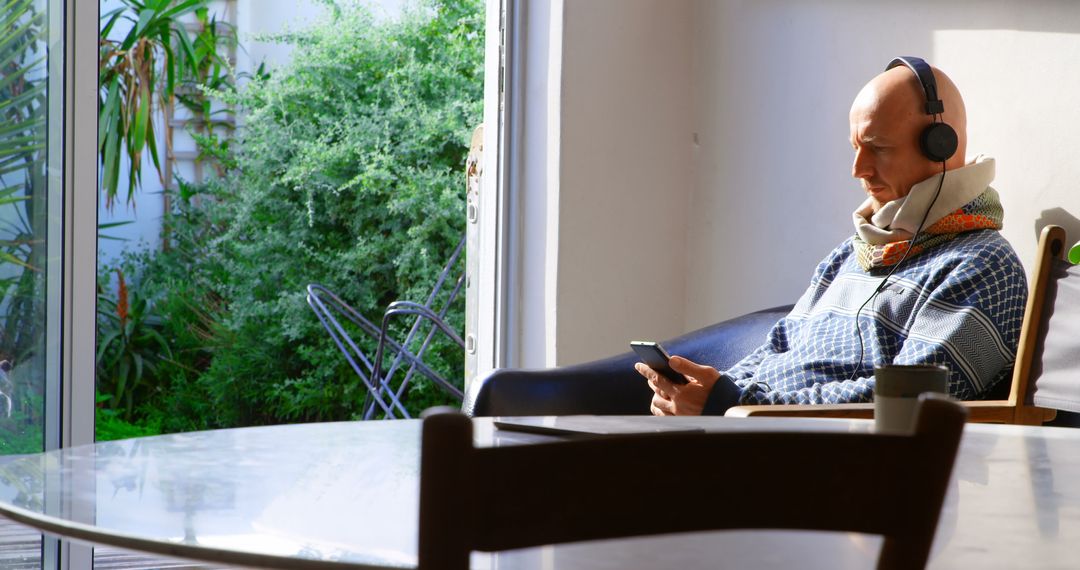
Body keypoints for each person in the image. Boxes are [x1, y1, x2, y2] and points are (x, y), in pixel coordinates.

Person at [638, 58, 1028, 416]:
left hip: (834, 465)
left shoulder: (982, 264)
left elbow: (913, 403)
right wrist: (704, 391)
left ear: (941, 145)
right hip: (755, 442)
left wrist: (735, 404)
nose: (859, 169)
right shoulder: (851, 254)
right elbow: (779, 348)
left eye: (878, 149)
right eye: (856, 148)